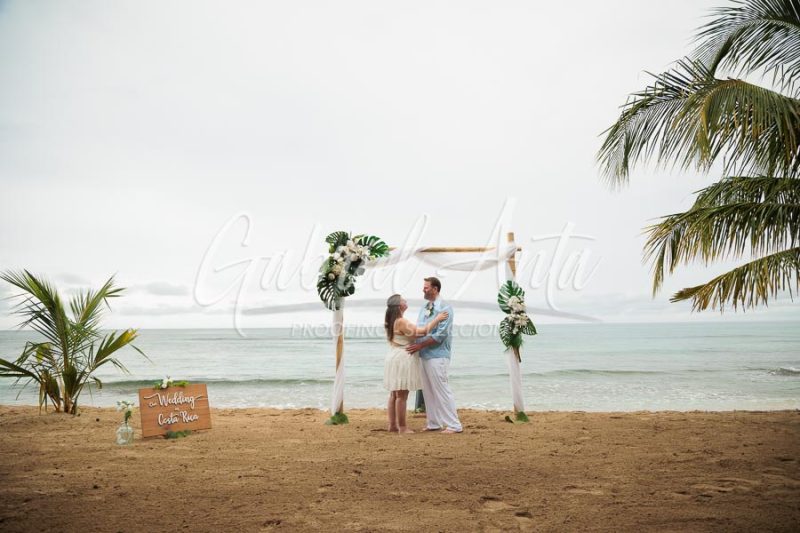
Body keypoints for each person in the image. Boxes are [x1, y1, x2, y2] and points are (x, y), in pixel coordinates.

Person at [384, 294, 448, 434]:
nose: (406, 301)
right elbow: (422, 332)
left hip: (393, 356)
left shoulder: (390, 320)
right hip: (402, 358)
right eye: (403, 300)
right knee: (402, 395)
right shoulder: (401, 321)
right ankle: (402, 427)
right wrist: (437, 319)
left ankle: (393, 425)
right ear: (399, 305)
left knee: (394, 394)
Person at [406, 277, 463, 433]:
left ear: (435, 289)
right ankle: (434, 423)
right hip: (423, 354)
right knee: (428, 390)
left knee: (442, 389)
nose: (423, 290)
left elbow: (441, 335)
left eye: (426, 287)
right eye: (423, 287)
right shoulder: (425, 306)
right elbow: (420, 327)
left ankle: (454, 424)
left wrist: (420, 345)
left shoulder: (445, 308)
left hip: (438, 355)